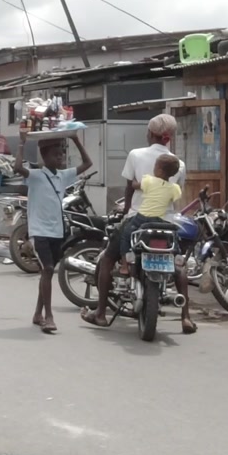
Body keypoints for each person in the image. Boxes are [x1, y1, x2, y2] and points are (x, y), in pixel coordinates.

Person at [84, 114, 193, 334]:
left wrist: (125, 212)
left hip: (138, 218)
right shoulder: (178, 163)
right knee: (178, 264)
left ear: (151, 134)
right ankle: (186, 318)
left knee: (107, 259)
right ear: (168, 137)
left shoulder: (136, 155)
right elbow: (175, 196)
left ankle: (101, 313)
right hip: (167, 222)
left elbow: (129, 188)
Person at [17, 134, 92, 334]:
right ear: (44, 156)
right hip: (39, 231)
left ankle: (37, 314)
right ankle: (48, 316)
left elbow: (87, 163)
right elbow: (17, 168)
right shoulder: (36, 175)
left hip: (57, 231)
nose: (60, 158)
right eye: (56, 155)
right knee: (48, 269)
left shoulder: (63, 175)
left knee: (46, 273)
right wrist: (22, 143)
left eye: (62, 154)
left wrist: (76, 139)